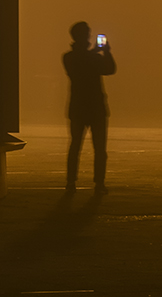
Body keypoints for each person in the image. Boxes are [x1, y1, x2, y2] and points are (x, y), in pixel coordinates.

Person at [63, 21, 116, 195]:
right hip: (95, 108)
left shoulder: (69, 57)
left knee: (76, 146)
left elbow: (106, 68)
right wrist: (105, 53)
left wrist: (99, 53)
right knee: (99, 149)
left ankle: (71, 182)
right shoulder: (89, 58)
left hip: (78, 107)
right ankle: (99, 183)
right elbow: (109, 69)